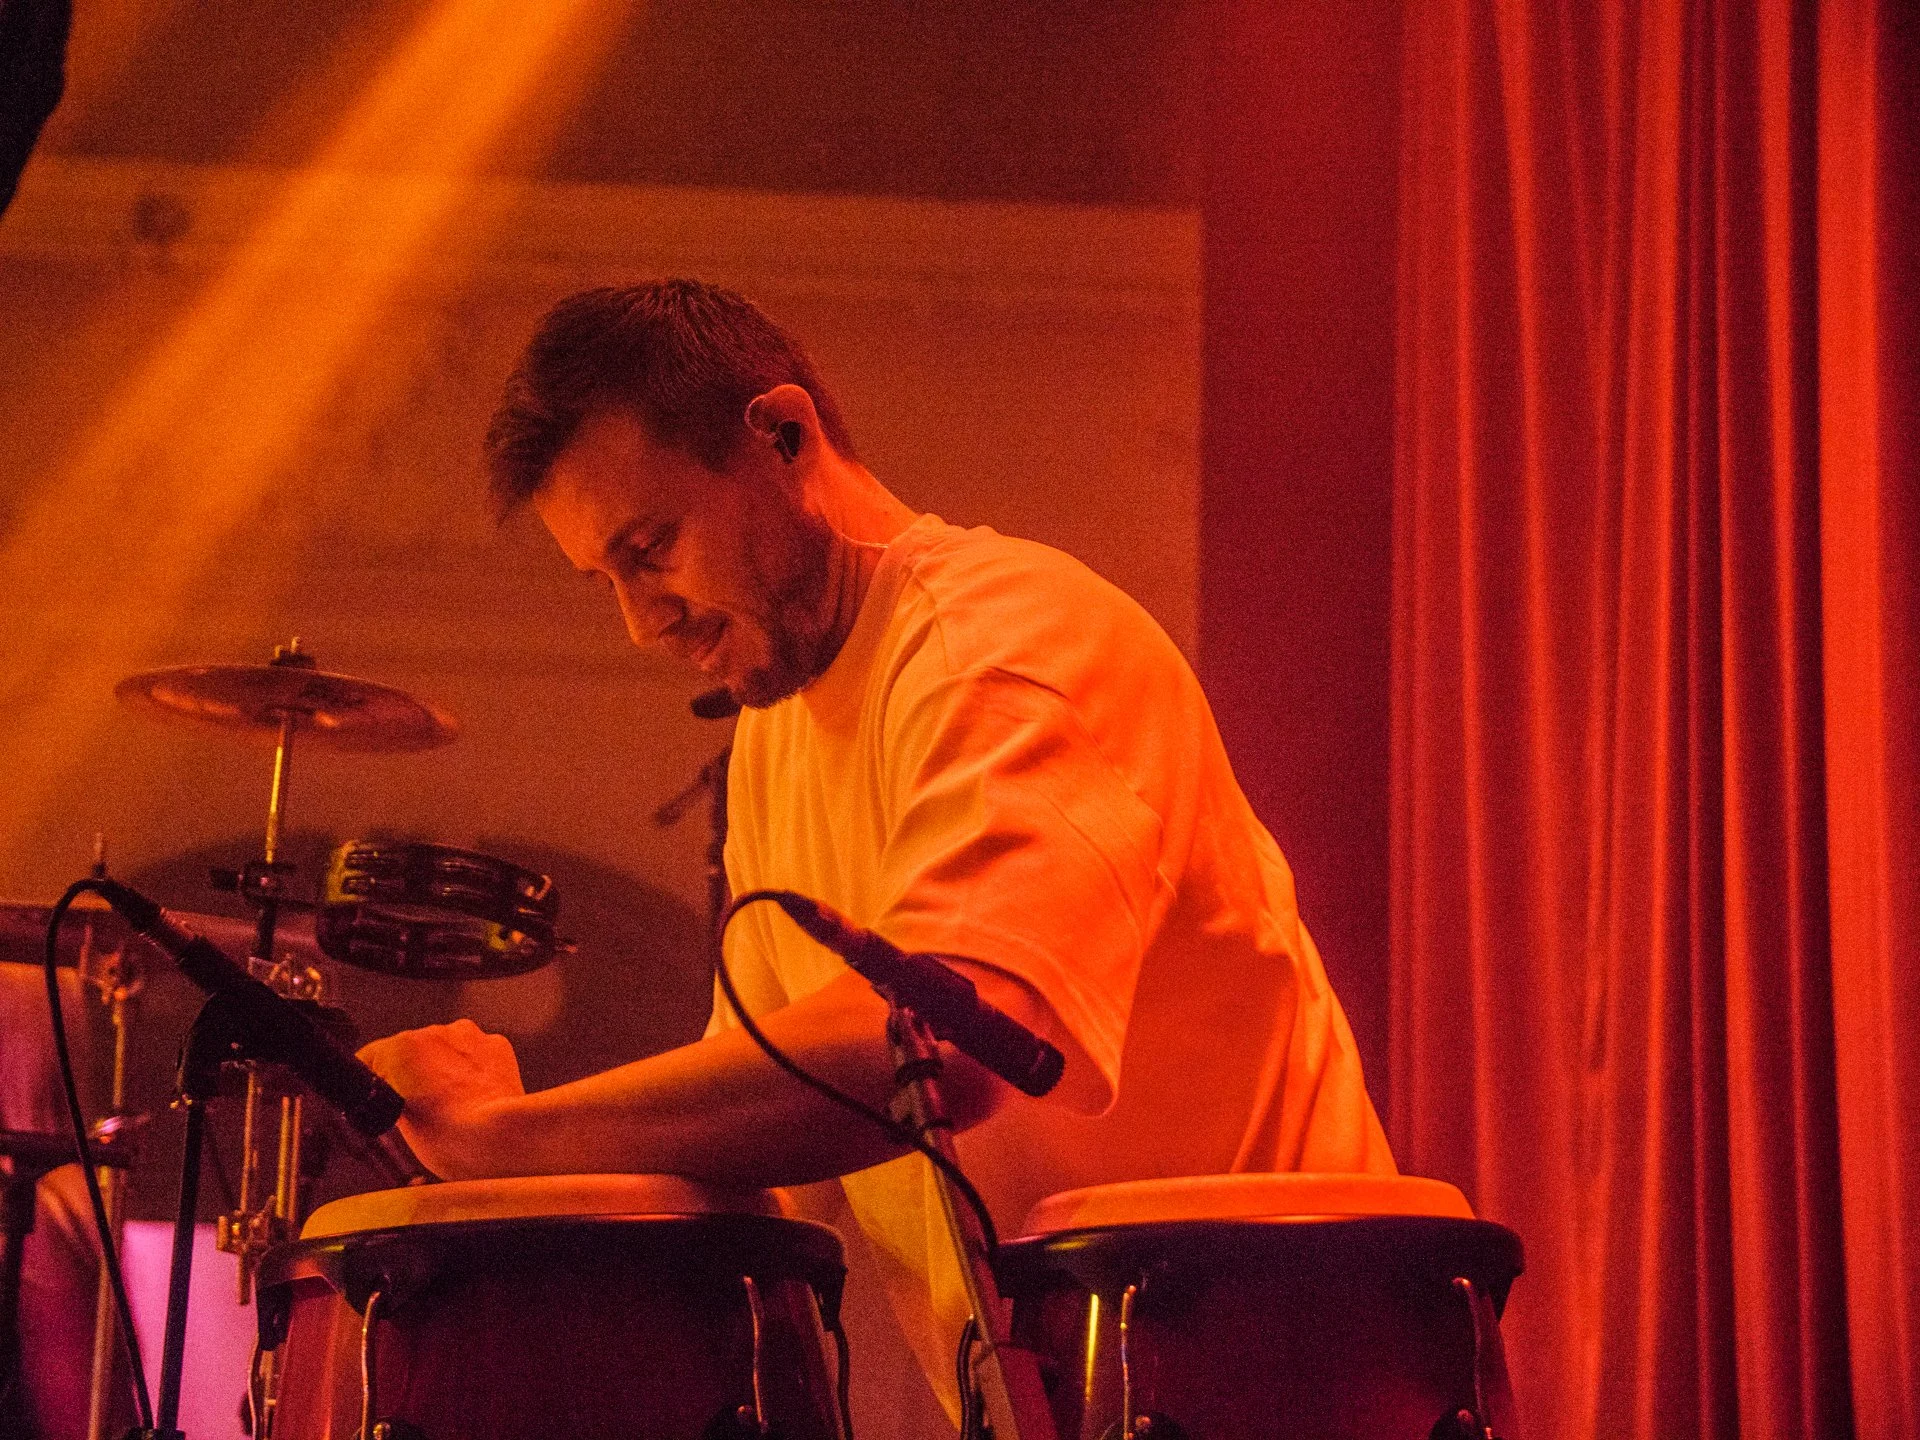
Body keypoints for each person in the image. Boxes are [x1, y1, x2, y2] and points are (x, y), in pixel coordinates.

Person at [358, 278, 1395, 1409]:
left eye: (651, 547)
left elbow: (945, 1046)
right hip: (1139, 1392)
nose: (641, 620)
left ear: (784, 435)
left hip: (1302, 1373)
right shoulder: (778, 730)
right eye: (604, 579)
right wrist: (499, 1156)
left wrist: (510, 1140)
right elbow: (763, 1139)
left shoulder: (1005, 646)